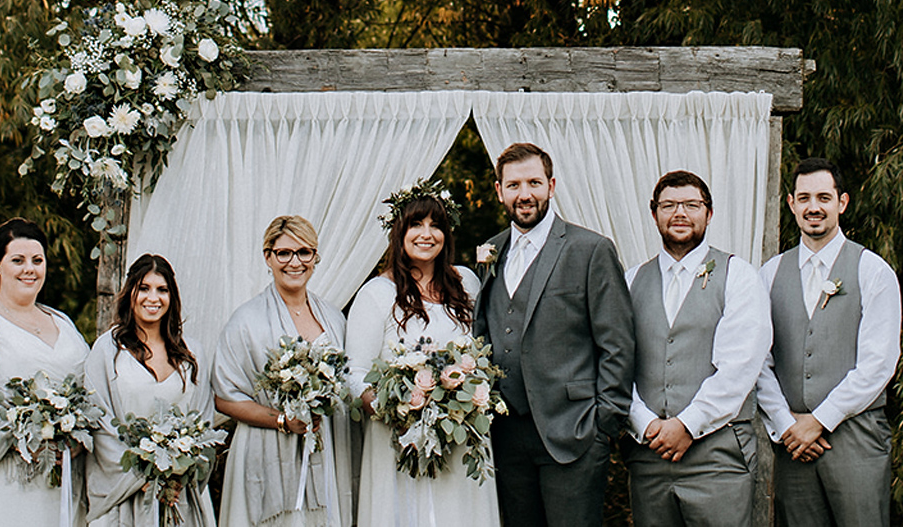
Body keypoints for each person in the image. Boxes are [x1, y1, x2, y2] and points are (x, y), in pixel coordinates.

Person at [474, 141, 635, 527]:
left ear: (551, 185)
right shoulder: (491, 250)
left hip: (573, 431)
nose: (524, 194)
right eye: (513, 185)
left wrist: (603, 424)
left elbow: (618, 342)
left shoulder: (590, 249)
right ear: (499, 191)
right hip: (506, 434)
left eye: (533, 182)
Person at [755, 158, 900, 527]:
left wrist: (819, 420)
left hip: (856, 440)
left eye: (823, 197)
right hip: (792, 446)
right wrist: (787, 425)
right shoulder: (768, 275)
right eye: (804, 198)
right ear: (791, 204)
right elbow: (757, 361)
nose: (813, 207)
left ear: (843, 202)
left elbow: (878, 364)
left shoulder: (872, 270)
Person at [345, 185, 500, 527]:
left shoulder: (468, 284)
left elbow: (481, 353)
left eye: (436, 225)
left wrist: (465, 398)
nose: (427, 234)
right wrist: (397, 408)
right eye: (416, 224)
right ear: (399, 232)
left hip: (460, 438)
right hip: (399, 440)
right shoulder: (376, 295)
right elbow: (354, 372)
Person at [624, 170, 770, 527]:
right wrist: (644, 425)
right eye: (669, 205)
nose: (680, 213)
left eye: (691, 205)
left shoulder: (738, 275)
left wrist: (687, 425)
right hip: (649, 455)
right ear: (653, 212)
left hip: (718, 458)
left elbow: (739, 369)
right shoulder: (629, 281)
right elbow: (616, 365)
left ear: (709, 213)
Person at [0, 218, 92, 527]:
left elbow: (91, 391)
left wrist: (76, 433)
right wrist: (28, 434)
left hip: (59, 483)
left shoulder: (63, 323)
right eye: (18, 260)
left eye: (37, 260)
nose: (29, 269)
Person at [212, 215, 355, 527]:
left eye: (304, 252)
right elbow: (224, 398)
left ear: (315, 257)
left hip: (326, 446)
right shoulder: (246, 321)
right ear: (268, 257)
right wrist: (281, 420)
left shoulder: (333, 318)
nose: (295, 262)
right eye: (284, 253)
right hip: (266, 451)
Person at [85, 254, 216, 527]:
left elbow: (203, 421)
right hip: (125, 490)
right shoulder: (108, 350)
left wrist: (179, 469)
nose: (152, 298)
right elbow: (99, 421)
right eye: (143, 288)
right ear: (130, 291)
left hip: (178, 493)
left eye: (162, 290)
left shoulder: (192, 353)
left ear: (172, 297)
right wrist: (142, 474)